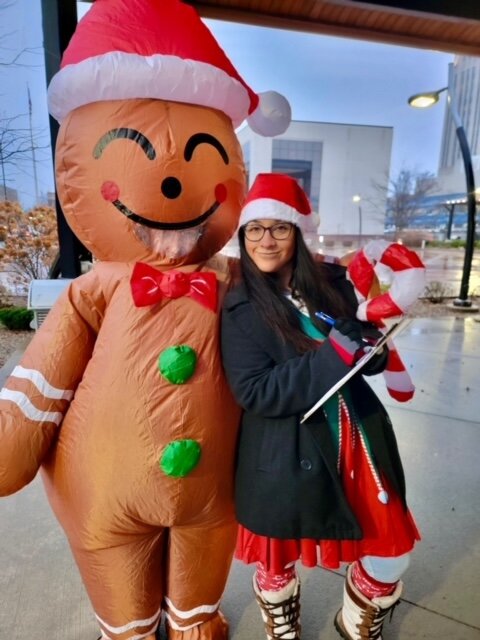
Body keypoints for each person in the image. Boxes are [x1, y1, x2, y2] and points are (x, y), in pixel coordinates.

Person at [221, 173, 420, 640]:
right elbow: (256, 391)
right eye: (255, 229)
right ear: (243, 235)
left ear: (297, 232)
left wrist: (376, 352)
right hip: (284, 452)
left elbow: (360, 351)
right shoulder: (240, 306)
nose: (266, 240)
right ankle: (281, 613)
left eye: (279, 228)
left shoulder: (334, 283)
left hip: (357, 440)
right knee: (278, 561)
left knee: (391, 553)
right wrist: (335, 352)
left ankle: (357, 617)